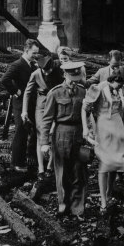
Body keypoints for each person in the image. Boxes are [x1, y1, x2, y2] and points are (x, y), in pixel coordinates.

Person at [40, 61, 87, 219]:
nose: (74, 80)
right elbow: (46, 119)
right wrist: (44, 143)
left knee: (79, 171)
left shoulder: (83, 91)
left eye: (77, 76)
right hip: (61, 133)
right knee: (61, 172)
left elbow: (88, 115)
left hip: (79, 134)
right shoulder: (55, 93)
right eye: (71, 77)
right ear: (64, 75)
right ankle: (63, 203)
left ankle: (78, 207)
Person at [82, 71, 124, 213]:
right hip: (103, 126)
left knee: (115, 161)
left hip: (117, 126)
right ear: (111, 80)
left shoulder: (119, 90)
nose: (119, 88)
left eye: (121, 85)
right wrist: (86, 128)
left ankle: (109, 193)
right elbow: (85, 108)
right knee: (105, 162)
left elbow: (121, 106)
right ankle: (102, 200)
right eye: (118, 84)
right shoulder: (98, 88)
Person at [22, 54, 64, 179]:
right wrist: (24, 111)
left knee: (54, 134)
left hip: (56, 104)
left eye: (49, 70)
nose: (46, 73)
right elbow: (27, 93)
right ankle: (40, 170)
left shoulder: (59, 71)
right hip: (41, 105)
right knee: (41, 134)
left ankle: (50, 167)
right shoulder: (35, 74)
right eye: (44, 71)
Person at [1, 39, 40, 173]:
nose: (36, 55)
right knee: (21, 132)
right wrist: (15, 91)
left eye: (37, 53)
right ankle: (16, 163)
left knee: (34, 129)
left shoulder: (33, 66)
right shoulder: (17, 64)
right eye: (34, 53)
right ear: (26, 50)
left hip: (32, 103)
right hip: (20, 104)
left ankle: (31, 157)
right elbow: (5, 79)